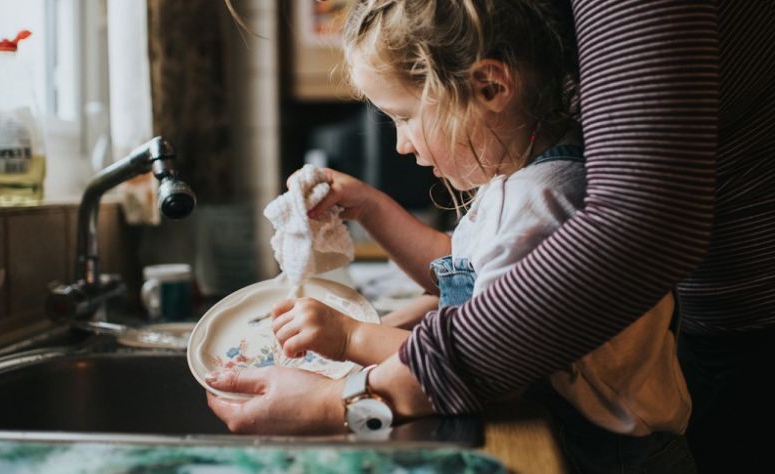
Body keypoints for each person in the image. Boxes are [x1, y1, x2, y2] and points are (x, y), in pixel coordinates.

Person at [209, 1, 774, 472]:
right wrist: (373, 209)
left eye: (403, 117)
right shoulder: (525, 183)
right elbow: (463, 273)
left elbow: (502, 371)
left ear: (488, 85)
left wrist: (353, 345)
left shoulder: (538, 200)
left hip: (615, 455)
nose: (401, 145)